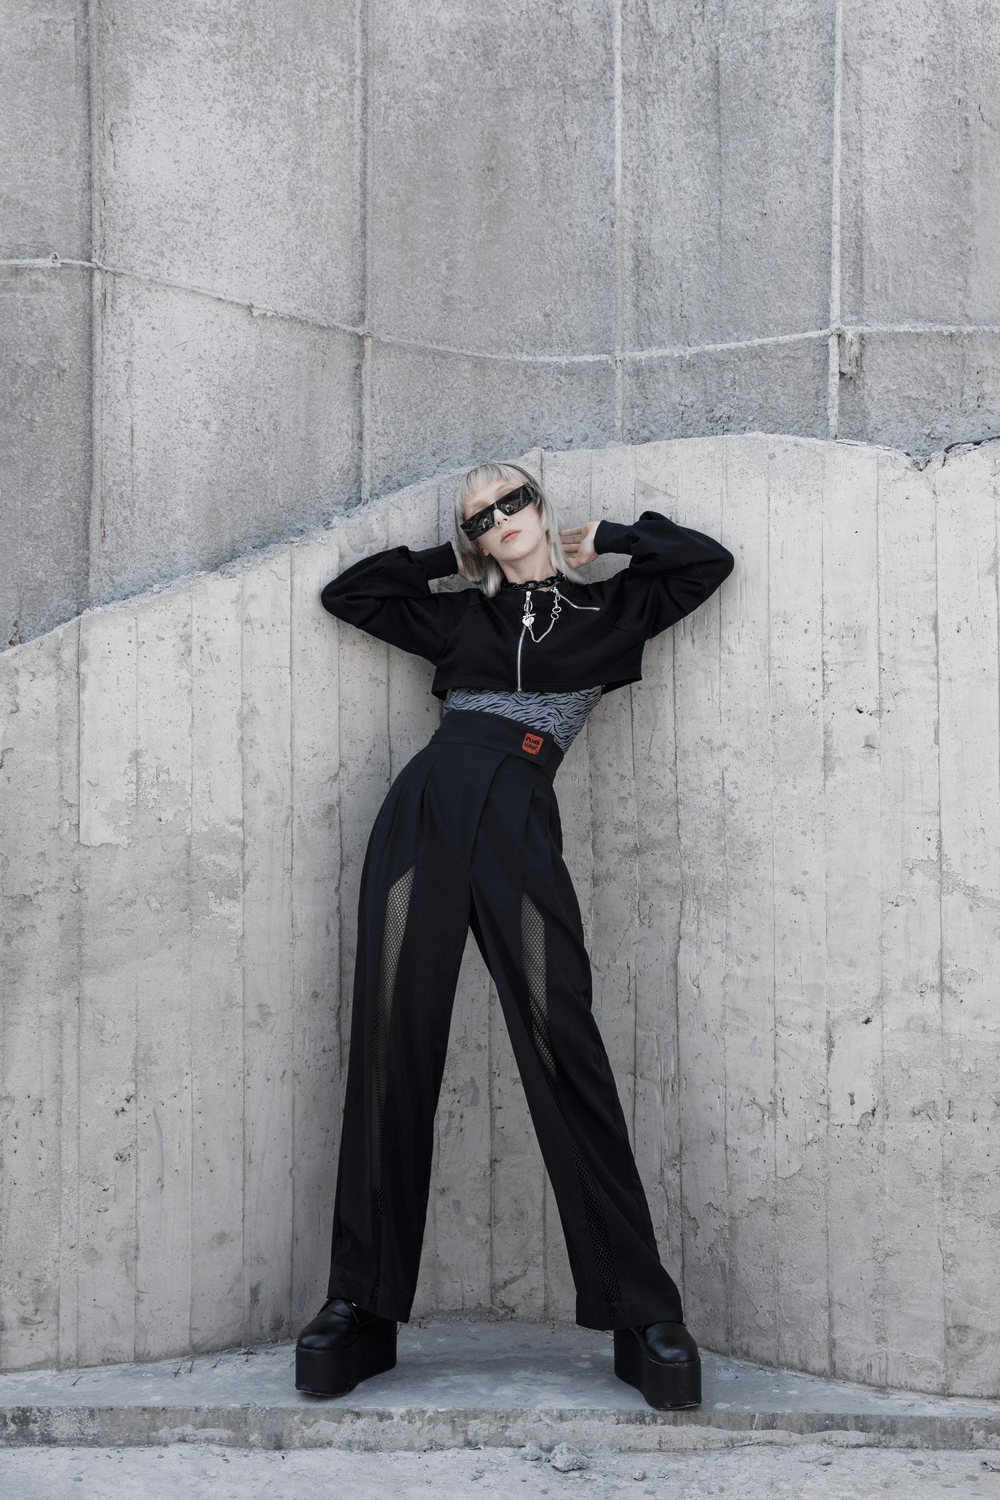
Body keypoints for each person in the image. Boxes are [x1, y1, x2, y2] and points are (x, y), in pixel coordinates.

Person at [296, 461, 733, 1410]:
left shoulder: (614, 610)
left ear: (542, 510)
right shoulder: (460, 618)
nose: (499, 521)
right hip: (424, 811)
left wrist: (613, 534)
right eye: (479, 518)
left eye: (512, 502)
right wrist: (445, 562)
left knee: (561, 1041)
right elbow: (351, 594)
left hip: (519, 820)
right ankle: (358, 1303)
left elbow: (705, 564)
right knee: (389, 1045)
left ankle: (640, 1308)